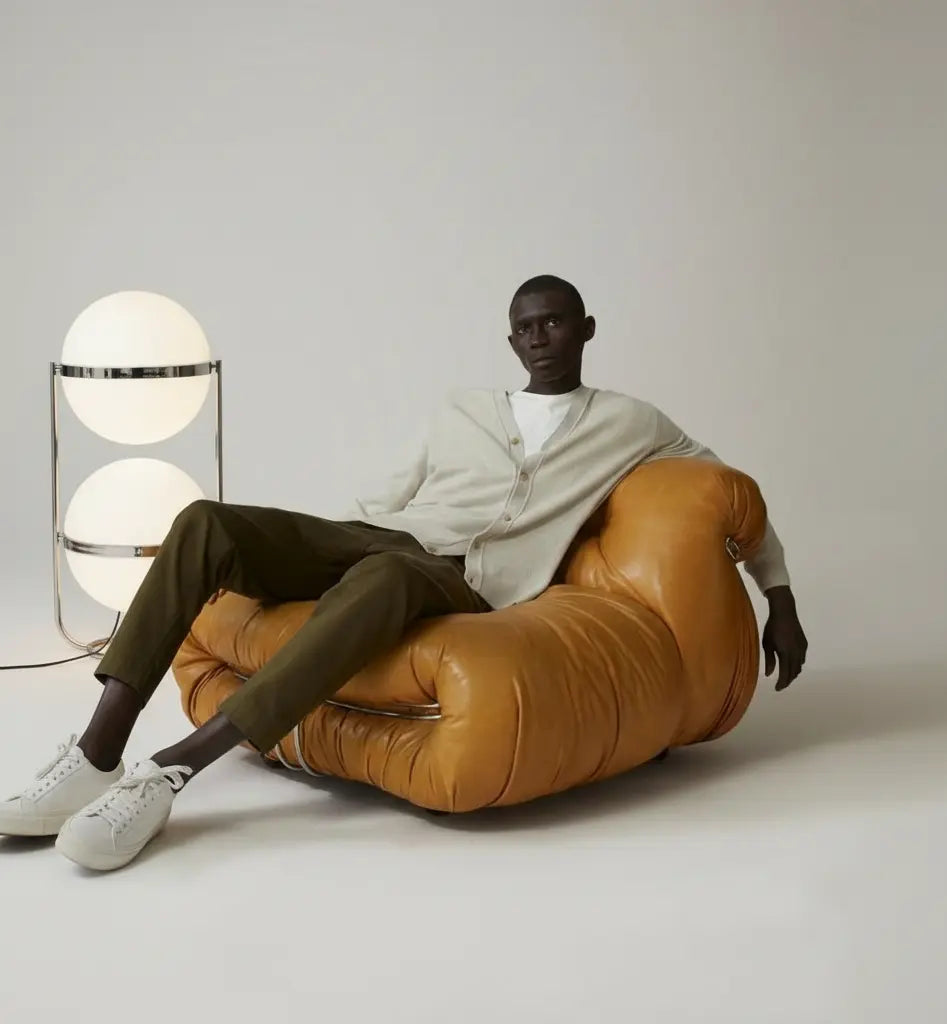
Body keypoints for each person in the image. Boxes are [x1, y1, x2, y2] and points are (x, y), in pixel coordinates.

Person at [0, 275, 808, 870]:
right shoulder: (463, 408)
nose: (538, 337)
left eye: (554, 322)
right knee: (203, 521)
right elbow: (385, 499)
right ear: (510, 340)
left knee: (386, 580)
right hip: (378, 538)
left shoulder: (632, 423)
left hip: (459, 578)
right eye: (524, 326)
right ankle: (97, 752)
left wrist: (778, 593)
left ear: (586, 329)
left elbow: (732, 496)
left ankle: (171, 770)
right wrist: (308, 550)